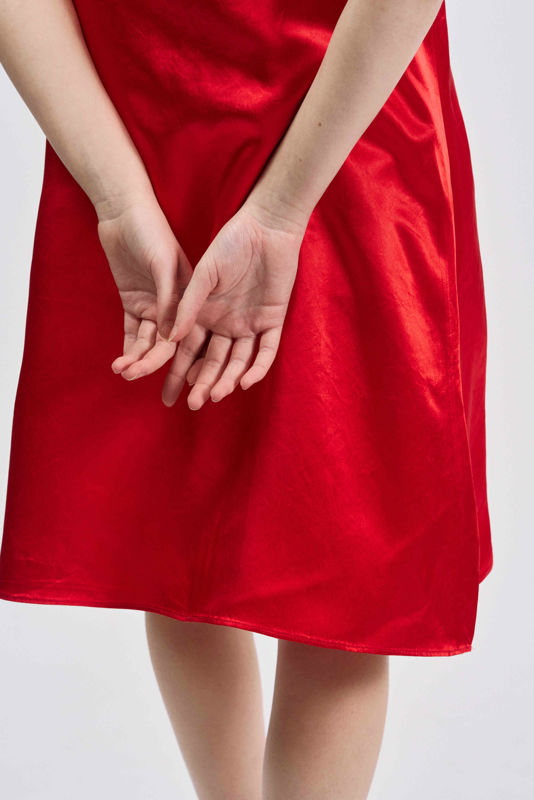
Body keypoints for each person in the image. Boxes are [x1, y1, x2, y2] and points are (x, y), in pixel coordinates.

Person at [0, 1, 492, 797]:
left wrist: (273, 208)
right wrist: (121, 197)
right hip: (142, 126)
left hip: (334, 110)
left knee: (340, 563)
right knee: (179, 531)